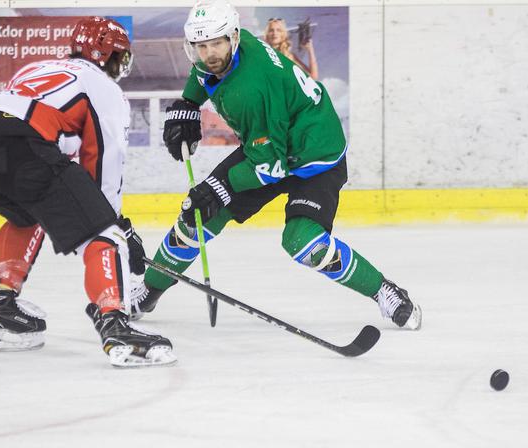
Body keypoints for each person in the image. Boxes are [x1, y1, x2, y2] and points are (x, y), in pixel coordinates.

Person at [130, 0, 422, 332]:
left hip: (314, 158)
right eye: (200, 45)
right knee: (198, 216)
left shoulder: (253, 89)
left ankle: (384, 290)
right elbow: (203, 74)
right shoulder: (228, 50)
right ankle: (149, 291)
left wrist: (218, 187)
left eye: (215, 44)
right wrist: (188, 103)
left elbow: (270, 168)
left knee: (304, 242)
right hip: (270, 144)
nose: (208, 53)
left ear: (233, 38)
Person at [0, 17, 176, 367]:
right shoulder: (102, 86)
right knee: (103, 231)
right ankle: (116, 327)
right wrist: (113, 222)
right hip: (19, 142)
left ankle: (3, 303)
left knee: (26, 213)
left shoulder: (40, 68)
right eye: (120, 56)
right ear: (108, 56)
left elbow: (50, 139)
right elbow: (104, 158)